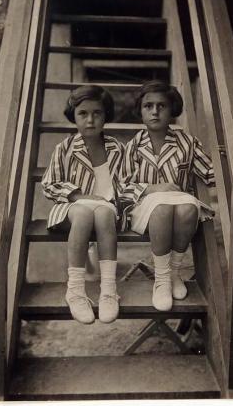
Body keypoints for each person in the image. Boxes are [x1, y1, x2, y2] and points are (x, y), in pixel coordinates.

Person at [121, 80, 215, 311]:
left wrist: (225, 158)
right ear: (140, 111)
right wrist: (154, 188)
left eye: (161, 106)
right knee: (162, 208)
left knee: (189, 207)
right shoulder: (133, 146)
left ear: (172, 109)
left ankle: (173, 273)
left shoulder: (187, 143)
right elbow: (121, 185)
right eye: (148, 106)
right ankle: (161, 280)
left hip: (179, 203)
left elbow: (211, 174)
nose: (155, 111)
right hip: (146, 207)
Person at [42, 85, 124, 324]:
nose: (90, 120)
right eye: (83, 114)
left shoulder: (117, 148)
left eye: (97, 113)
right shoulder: (65, 148)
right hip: (71, 209)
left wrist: (112, 203)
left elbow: (127, 183)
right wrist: (79, 196)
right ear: (73, 116)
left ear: (105, 116)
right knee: (87, 212)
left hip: (107, 212)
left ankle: (108, 290)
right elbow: (49, 184)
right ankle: (76, 290)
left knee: (104, 212)